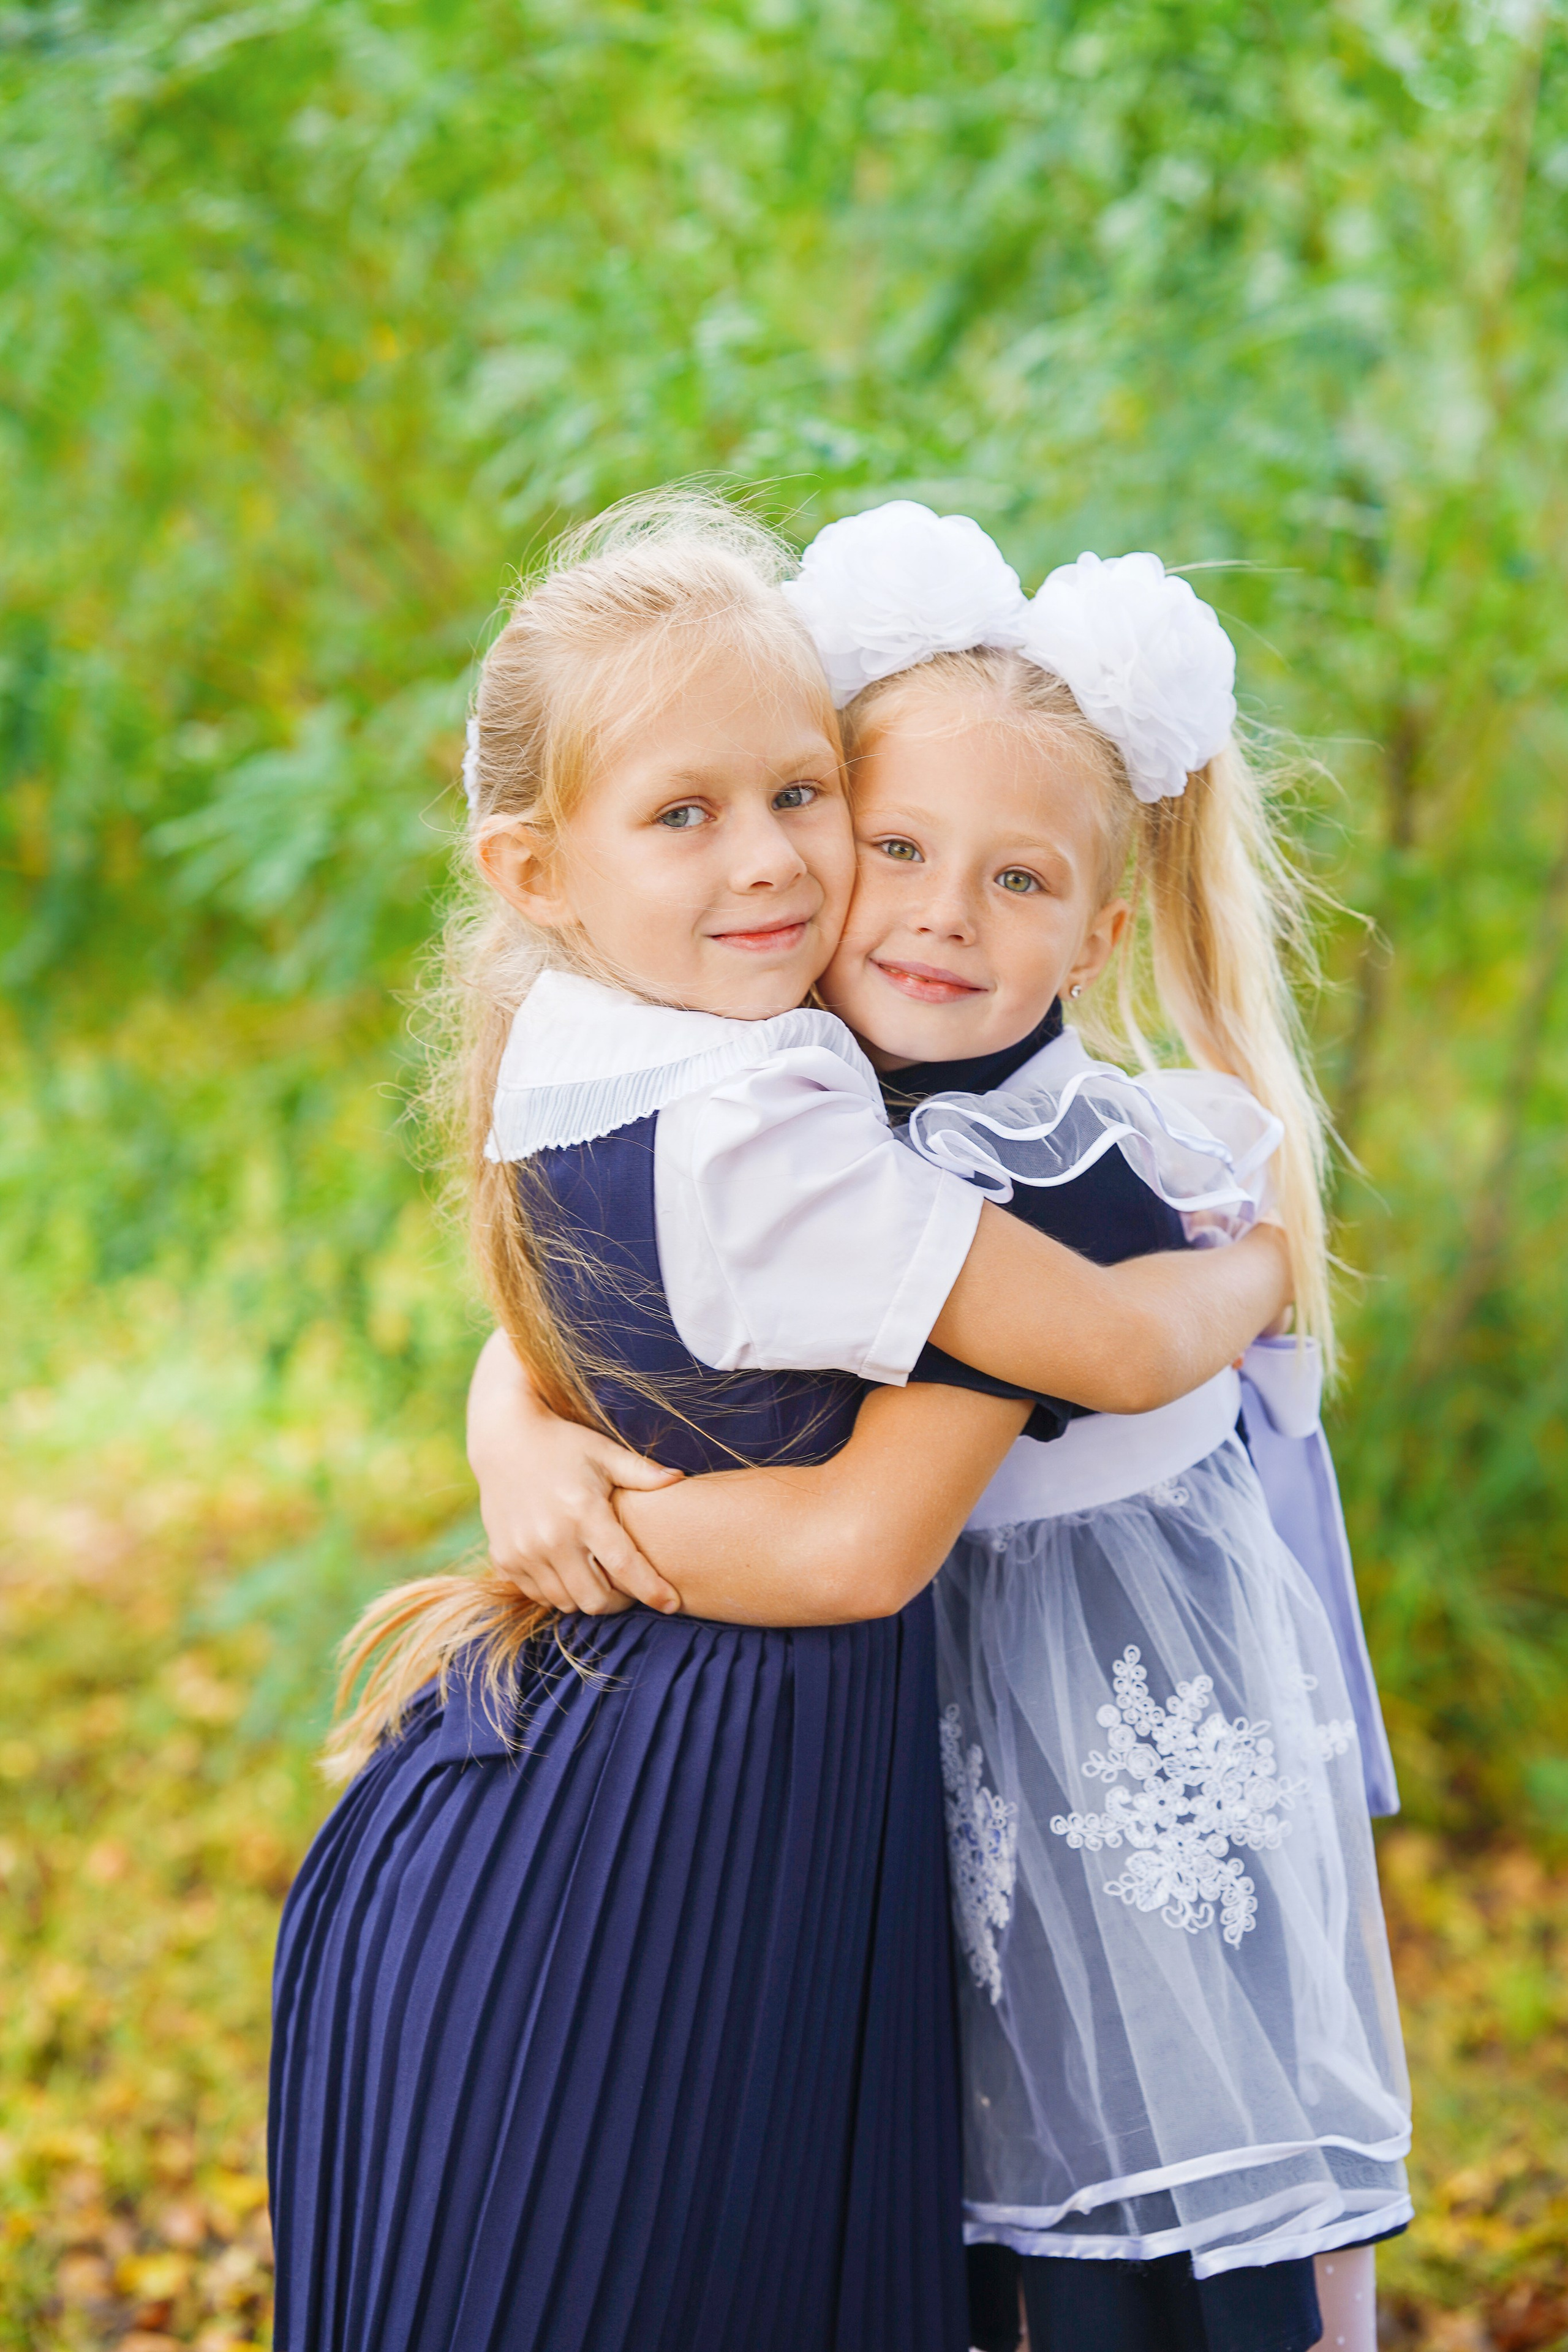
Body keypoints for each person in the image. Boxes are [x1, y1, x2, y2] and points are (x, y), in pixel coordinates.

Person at [269, 492, 1290, 2352]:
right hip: (662, 1848)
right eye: (689, 815)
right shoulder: (797, 1123)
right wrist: (1250, 1278)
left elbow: (591, 1331)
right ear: (535, 871)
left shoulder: (623, 1039)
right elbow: (868, 1526)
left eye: (800, 797)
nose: (782, 866)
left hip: (584, 1805)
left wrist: (532, 1467)